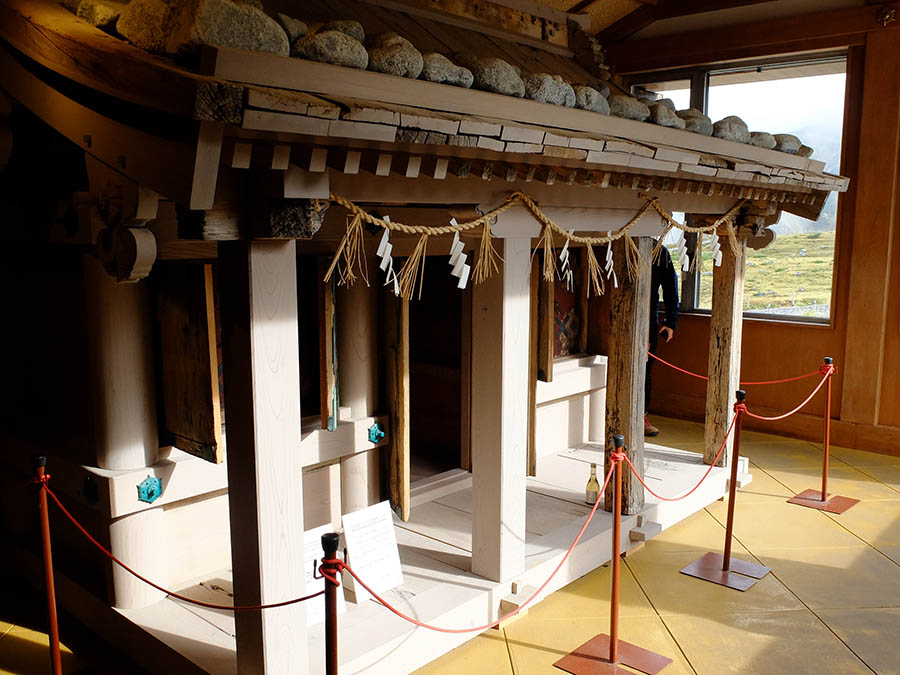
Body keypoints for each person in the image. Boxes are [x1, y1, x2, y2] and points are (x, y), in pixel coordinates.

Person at [645, 244, 679, 436]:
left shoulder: (659, 252)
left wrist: (670, 321)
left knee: (646, 369)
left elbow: (670, 286)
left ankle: (641, 415)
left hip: (648, 318)